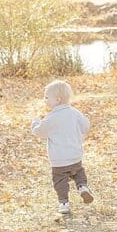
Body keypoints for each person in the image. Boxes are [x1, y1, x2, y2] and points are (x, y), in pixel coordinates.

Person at [31, 80, 93, 215]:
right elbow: (86, 125)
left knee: (60, 180)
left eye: (47, 97)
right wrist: (80, 134)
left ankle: (64, 203)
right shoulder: (74, 113)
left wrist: (35, 124)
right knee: (78, 172)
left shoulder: (51, 118)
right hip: (75, 155)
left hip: (59, 160)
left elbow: (39, 132)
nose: (45, 100)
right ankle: (82, 187)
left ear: (57, 100)